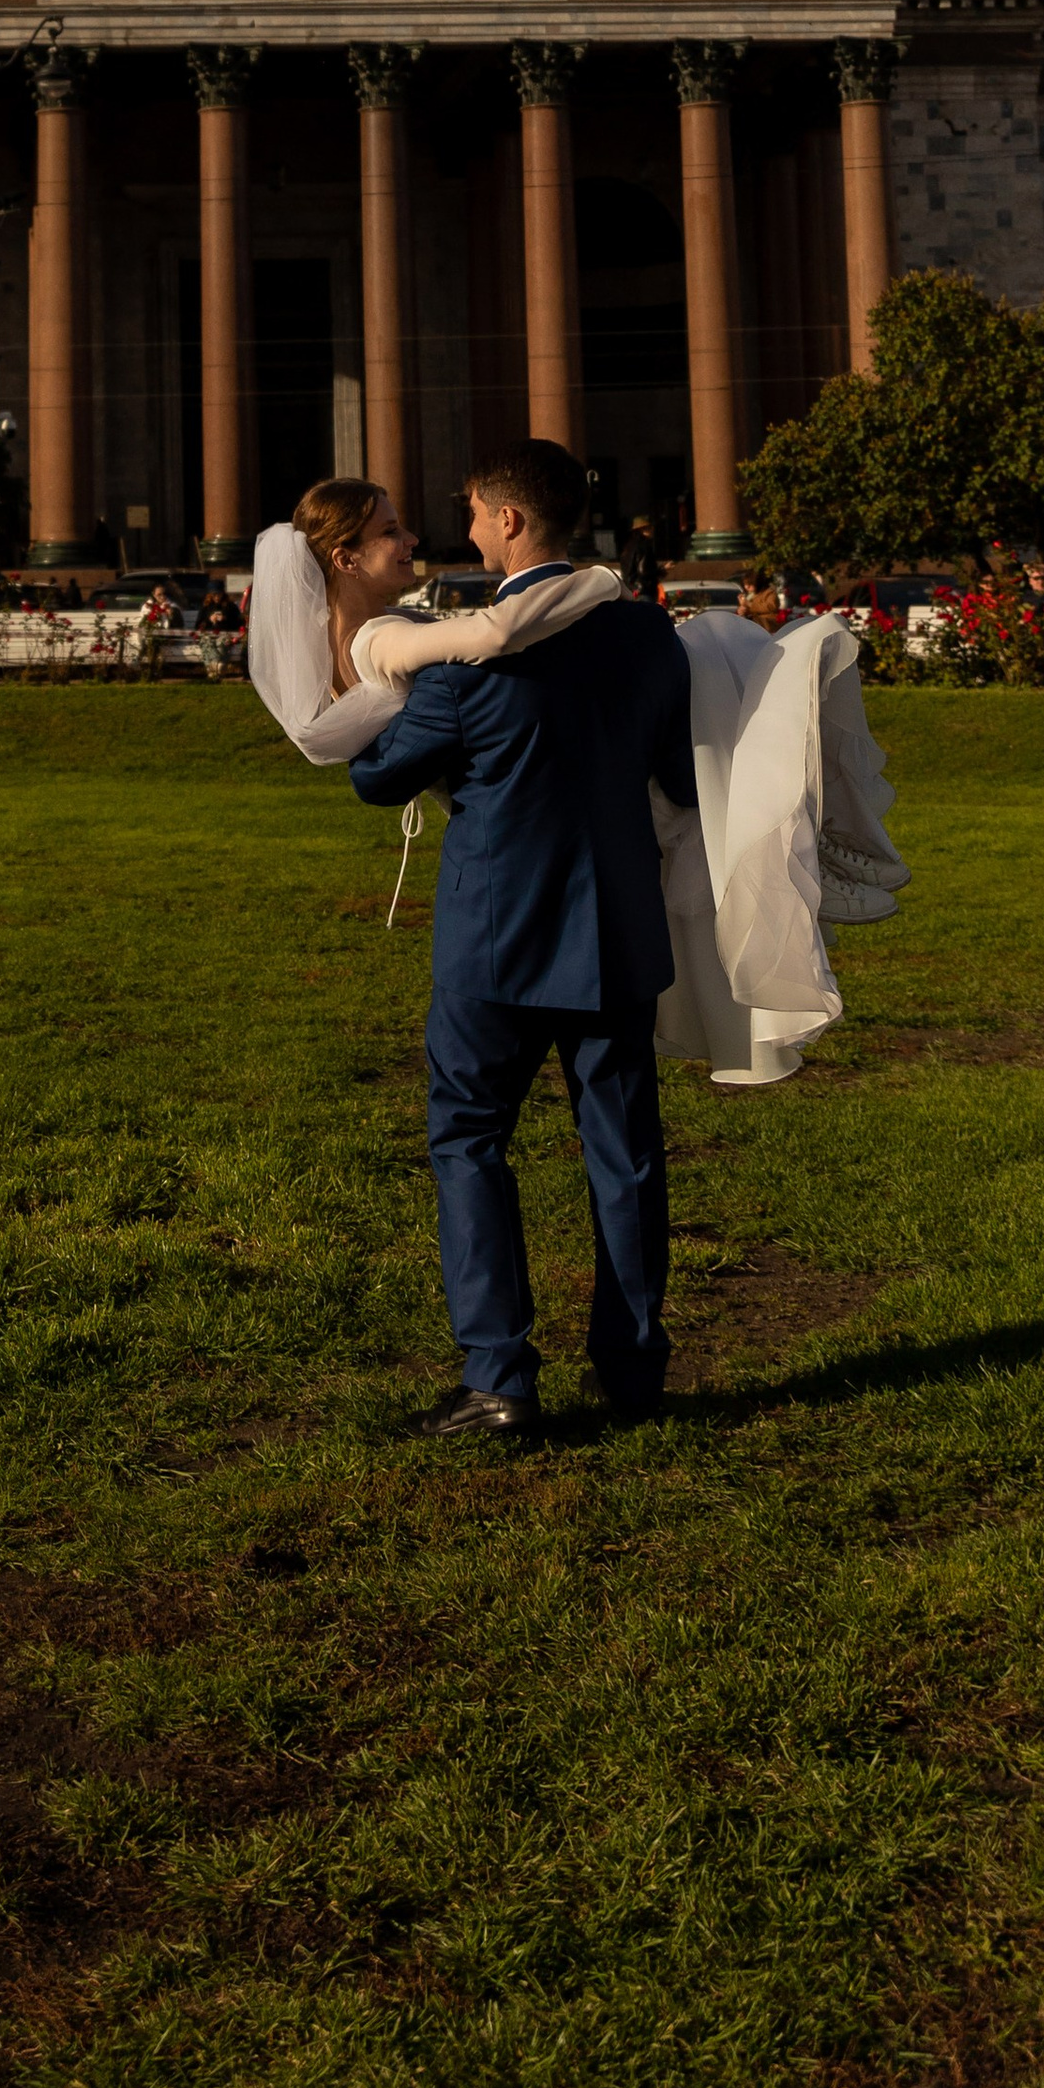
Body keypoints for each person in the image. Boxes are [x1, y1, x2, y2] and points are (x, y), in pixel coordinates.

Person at [340, 441, 700, 1448]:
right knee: (623, 1152)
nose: (460, 532)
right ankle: (632, 1369)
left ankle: (499, 1378)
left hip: (494, 940)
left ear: (506, 521)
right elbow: (676, 771)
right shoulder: (645, 638)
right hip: (616, 930)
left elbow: (377, 781)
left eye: (469, 514)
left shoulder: (469, 657)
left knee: (467, 1142)